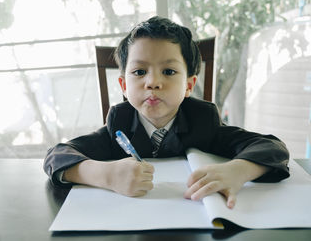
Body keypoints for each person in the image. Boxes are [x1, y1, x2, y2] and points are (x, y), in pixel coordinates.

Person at [44, 16, 289, 209]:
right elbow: (57, 156)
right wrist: (104, 174)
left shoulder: (203, 121)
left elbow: (272, 147)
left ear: (189, 86)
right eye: (139, 72)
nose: (152, 82)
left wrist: (237, 171)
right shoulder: (119, 124)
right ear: (123, 86)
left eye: (169, 72)